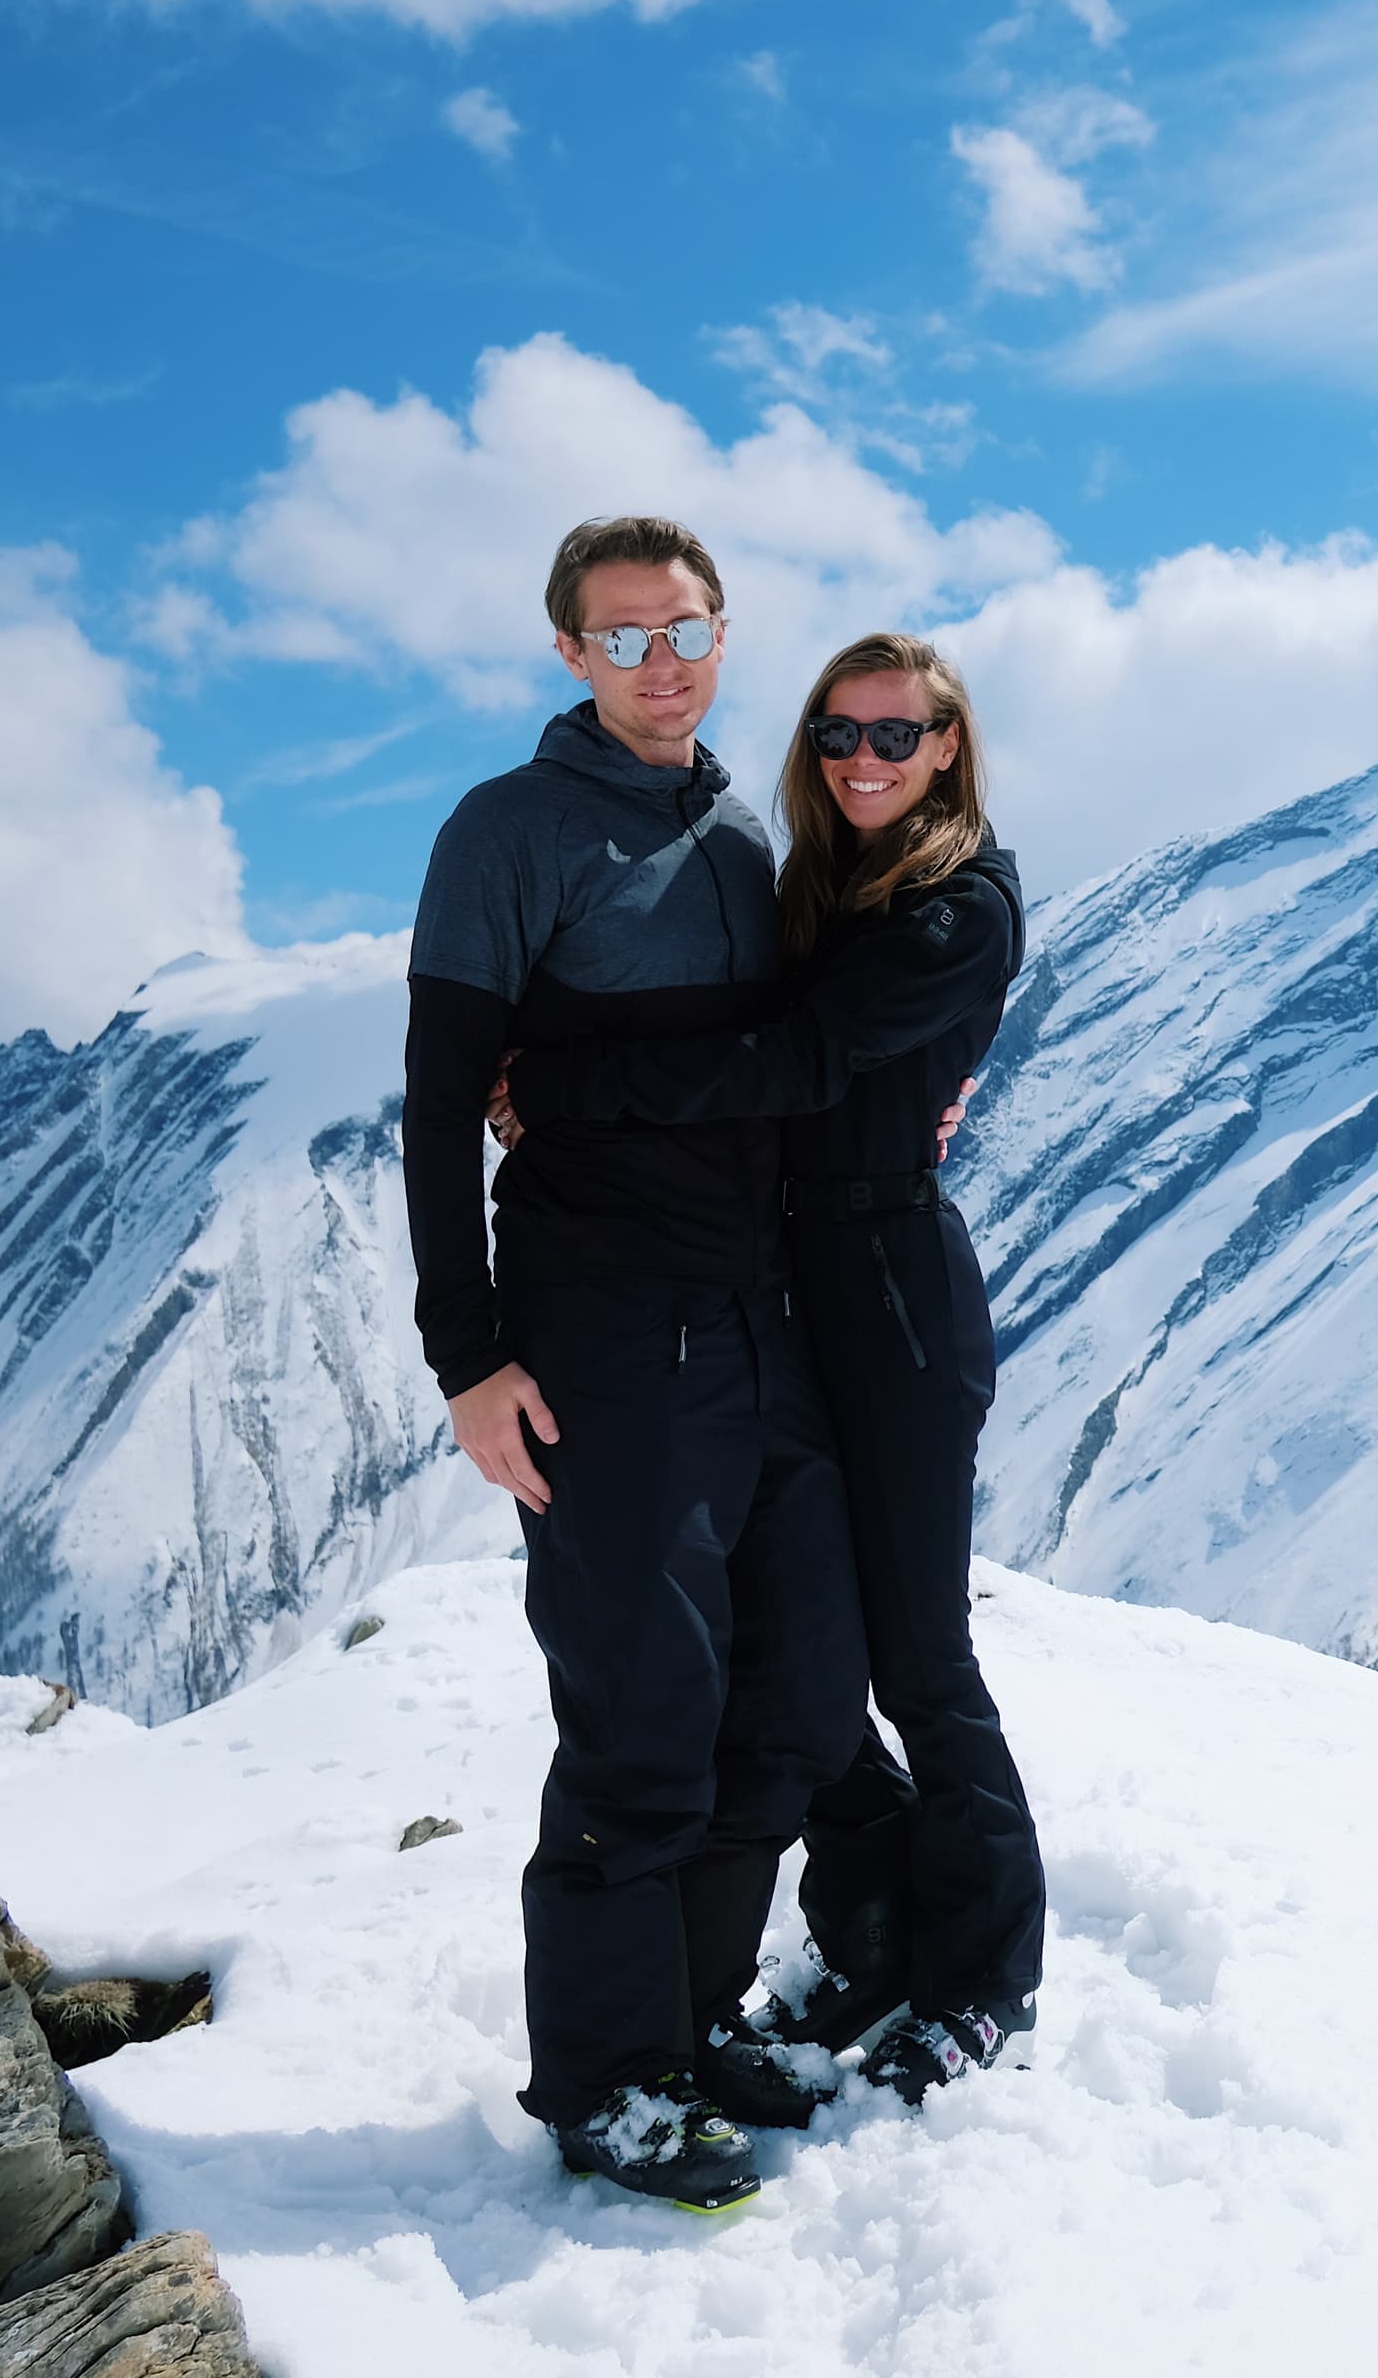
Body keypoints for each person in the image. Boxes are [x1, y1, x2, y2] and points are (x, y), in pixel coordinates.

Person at [496, 630, 1047, 2108]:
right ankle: (876, 1932)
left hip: (895, 1303)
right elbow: (779, 1057)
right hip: (796, 1291)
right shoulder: (834, 887)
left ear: (949, 746)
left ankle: (992, 1977)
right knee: (815, 1652)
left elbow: (792, 1066)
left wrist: (564, 1092)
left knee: (921, 1657)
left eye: (896, 735)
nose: (864, 759)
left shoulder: (958, 904)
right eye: (838, 736)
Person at [403, 516, 869, 2213]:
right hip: (605, 1343)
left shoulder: (749, 829)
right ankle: (606, 2083)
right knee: (642, 1716)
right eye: (620, 639)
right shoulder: (510, 834)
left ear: (725, 633)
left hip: (764, 1330)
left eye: (684, 631)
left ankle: (695, 2016)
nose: (658, 664)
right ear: (568, 655)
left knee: (801, 1698)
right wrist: (468, 1355)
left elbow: (795, 1060)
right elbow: (445, 1100)